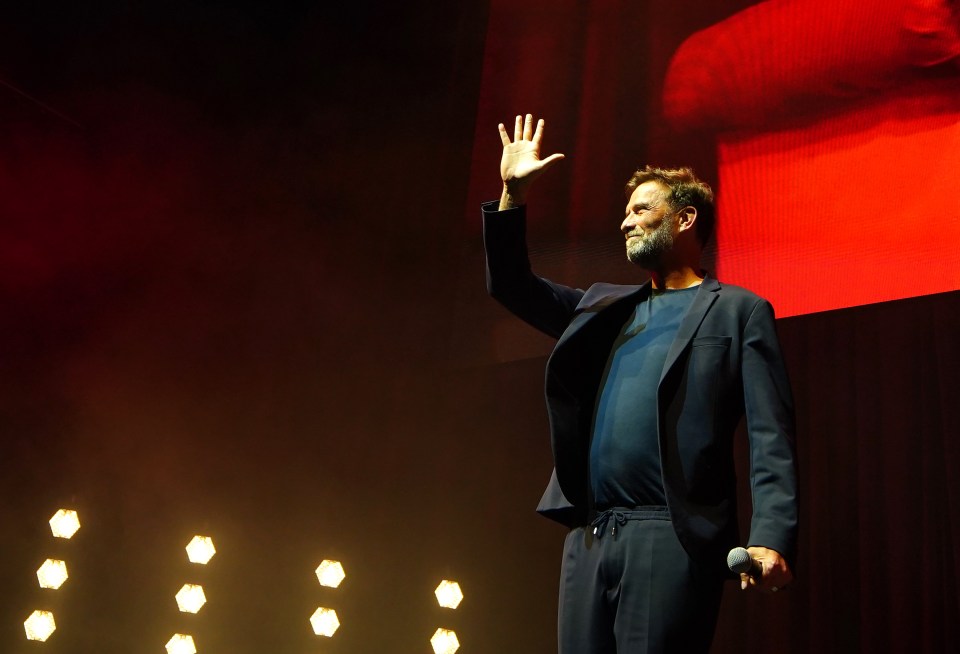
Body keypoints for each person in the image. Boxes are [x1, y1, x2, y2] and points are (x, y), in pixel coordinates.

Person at [482, 114, 798, 653]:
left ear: (685, 219)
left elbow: (772, 435)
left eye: (641, 210)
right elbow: (513, 286)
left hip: (670, 535)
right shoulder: (603, 307)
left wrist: (771, 534)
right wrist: (512, 196)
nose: (626, 222)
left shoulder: (739, 312)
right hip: (590, 536)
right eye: (625, 213)